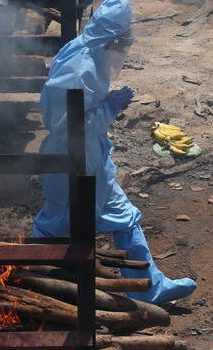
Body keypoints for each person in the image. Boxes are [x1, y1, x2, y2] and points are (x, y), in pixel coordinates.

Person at [33, 0, 196, 304]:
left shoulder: (90, 51)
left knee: (123, 217)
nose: (124, 50)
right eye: (122, 42)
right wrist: (109, 108)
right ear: (111, 39)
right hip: (71, 159)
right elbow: (68, 128)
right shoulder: (79, 67)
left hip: (91, 157)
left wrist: (105, 103)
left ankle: (147, 285)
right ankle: (39, 280)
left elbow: (81, 110)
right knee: (57, 223)